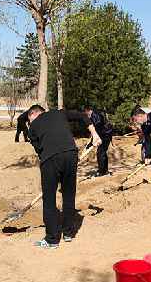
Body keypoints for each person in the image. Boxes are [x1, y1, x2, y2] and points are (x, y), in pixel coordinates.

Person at [27, 105, 101, 249]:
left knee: (49, 199)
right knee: (68, 194)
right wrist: (95, 135)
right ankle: (68, 233)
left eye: (31, 119)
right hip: (70, 154)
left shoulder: (33, 127)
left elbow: (40, 151)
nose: (31, 123)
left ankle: (52, 239)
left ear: (34, 114)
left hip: (50, 159)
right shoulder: (59, 113)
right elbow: (83, 116)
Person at [84, 105, 113, 176]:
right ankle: (104, 170)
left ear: (88, 111)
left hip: (106, 135)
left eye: (85, 112)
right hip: (105, 134)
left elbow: (98, 127)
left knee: (100, 153)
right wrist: (90, 143)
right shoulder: (94, 115)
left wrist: (91, 143)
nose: (85, 114)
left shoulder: (95, 115)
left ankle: (102, 172)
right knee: (103, 152)